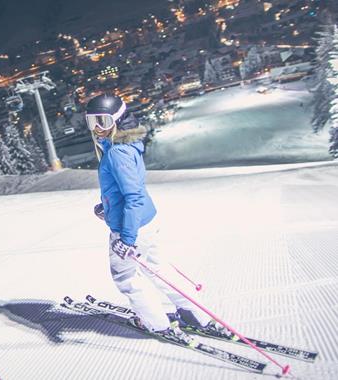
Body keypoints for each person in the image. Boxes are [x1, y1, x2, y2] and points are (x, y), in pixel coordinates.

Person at [85, 94, 233, 343]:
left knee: (127, 277)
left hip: (130, 227)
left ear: (119, 120)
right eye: (92, 122)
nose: (98, 128)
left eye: (103, 120)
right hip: (146, 221)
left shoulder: (116, 154)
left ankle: (157, 324)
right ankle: (193, 314)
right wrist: (107, 208)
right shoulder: (125, 146)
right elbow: (129, 192)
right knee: (157, 268)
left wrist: (128, 239)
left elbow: (133, 196)